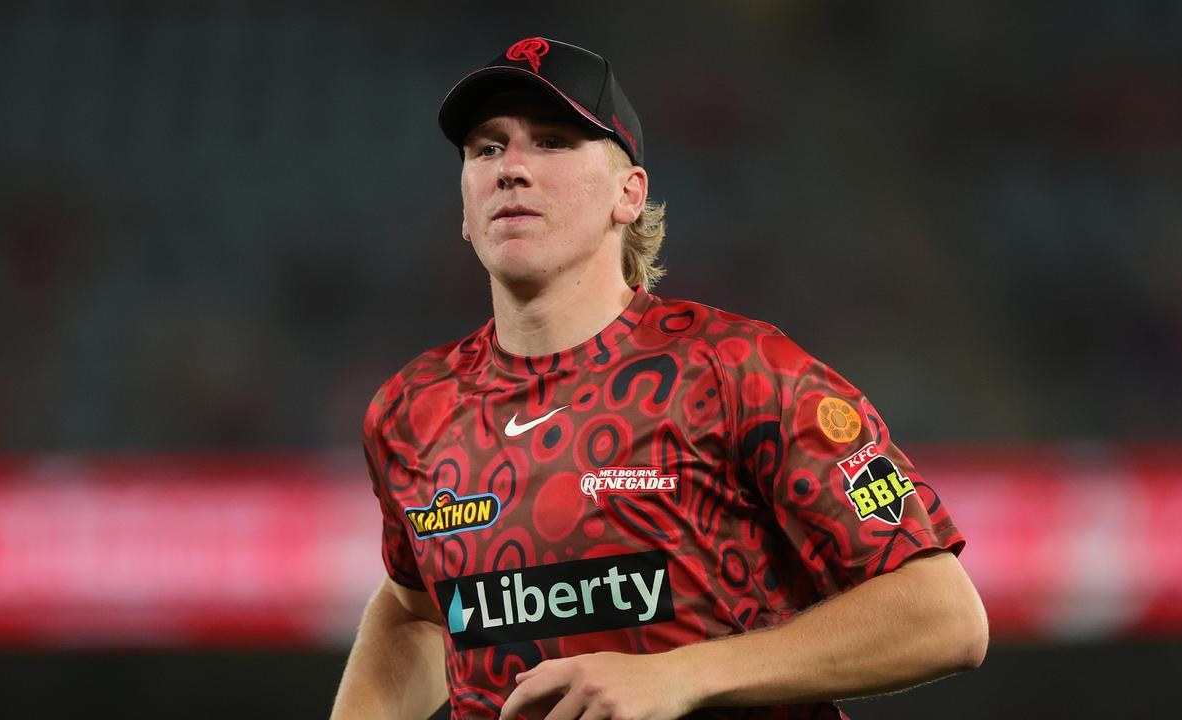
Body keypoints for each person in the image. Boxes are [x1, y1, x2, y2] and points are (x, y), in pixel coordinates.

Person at [331, 37, 987, 720]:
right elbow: (419, 611)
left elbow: (943, 617)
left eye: (552, 142)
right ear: (465, 209)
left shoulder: (739, 371)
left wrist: (683, 676)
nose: (511, 169)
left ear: (628, 193)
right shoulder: (413, 409)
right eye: (486, 149)